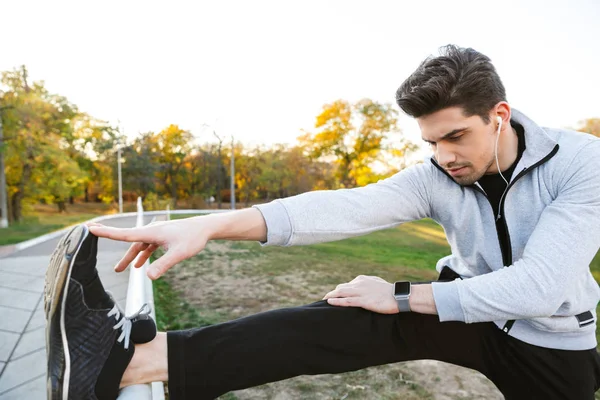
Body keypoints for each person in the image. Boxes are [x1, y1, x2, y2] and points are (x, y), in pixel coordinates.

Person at [44, 44, 600, 400]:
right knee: (343, 316)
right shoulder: (437, 173)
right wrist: (211, 225)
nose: (444, 155)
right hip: (466, 306)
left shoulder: (581, 163)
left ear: (498, 116)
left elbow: (539, 285)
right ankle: (127, 363)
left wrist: (403, 296)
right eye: (431, 141)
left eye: (456, 136)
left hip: (550, 340)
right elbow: (342, 207)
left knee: (384, 301)